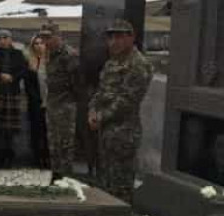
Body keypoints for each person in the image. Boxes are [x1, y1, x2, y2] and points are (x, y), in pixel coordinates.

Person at [88, 19, 153, 203]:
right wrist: (92, 110)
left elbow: (127, 101)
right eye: (111, 37)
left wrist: (100, 117)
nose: (114, 42)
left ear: (131, 38)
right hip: (105, 132)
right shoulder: (112, 63)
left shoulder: (138, 65)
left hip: (124, 133)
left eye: (119, 37)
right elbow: (101, 92)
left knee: (120, 186)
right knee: (105, 181)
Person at [41, 22, 80, 182]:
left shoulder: (69, 55)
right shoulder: (50, 54)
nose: (45, 41)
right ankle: (56, 175)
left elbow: (77, 84)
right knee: (53, 143)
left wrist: (69, 101)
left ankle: (66, 177)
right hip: (53, 104)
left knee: (66, 144)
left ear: (58, 37)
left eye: (48, 37)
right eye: (43, 38)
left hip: (66, 106)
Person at [0, 29, 27, 168]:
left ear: (10, 39)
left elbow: (23, 69)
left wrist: (12, 77)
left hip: (12, 92)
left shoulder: (18, 54)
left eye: (5, 38)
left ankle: (9, 155)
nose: (2, 40)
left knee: (10, 128)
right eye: (0, 38)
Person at [24, 34, 50, 169]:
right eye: (36, 43)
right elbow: (28, 86)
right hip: (36, 103)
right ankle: (37, 158)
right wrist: (37, 101)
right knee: (36, 131)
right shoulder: (30, 62)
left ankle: (48, 157)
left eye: (42, 43)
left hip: (50, 103)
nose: (39, 46)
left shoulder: (51, 62)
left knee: (48, 132)